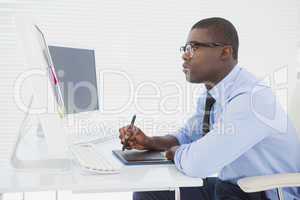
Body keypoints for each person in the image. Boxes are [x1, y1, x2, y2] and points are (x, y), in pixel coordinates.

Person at [119, 17, 300, 200]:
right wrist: (150, 142)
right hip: (233, 187)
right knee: (150, 191)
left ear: (225, 52)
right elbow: (189, 136)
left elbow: (199, 163)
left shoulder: (251, 99)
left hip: (261, 193)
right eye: (185, 48)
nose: (185, 55)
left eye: (194, 47)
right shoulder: (213, 95)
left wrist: (175, 153)